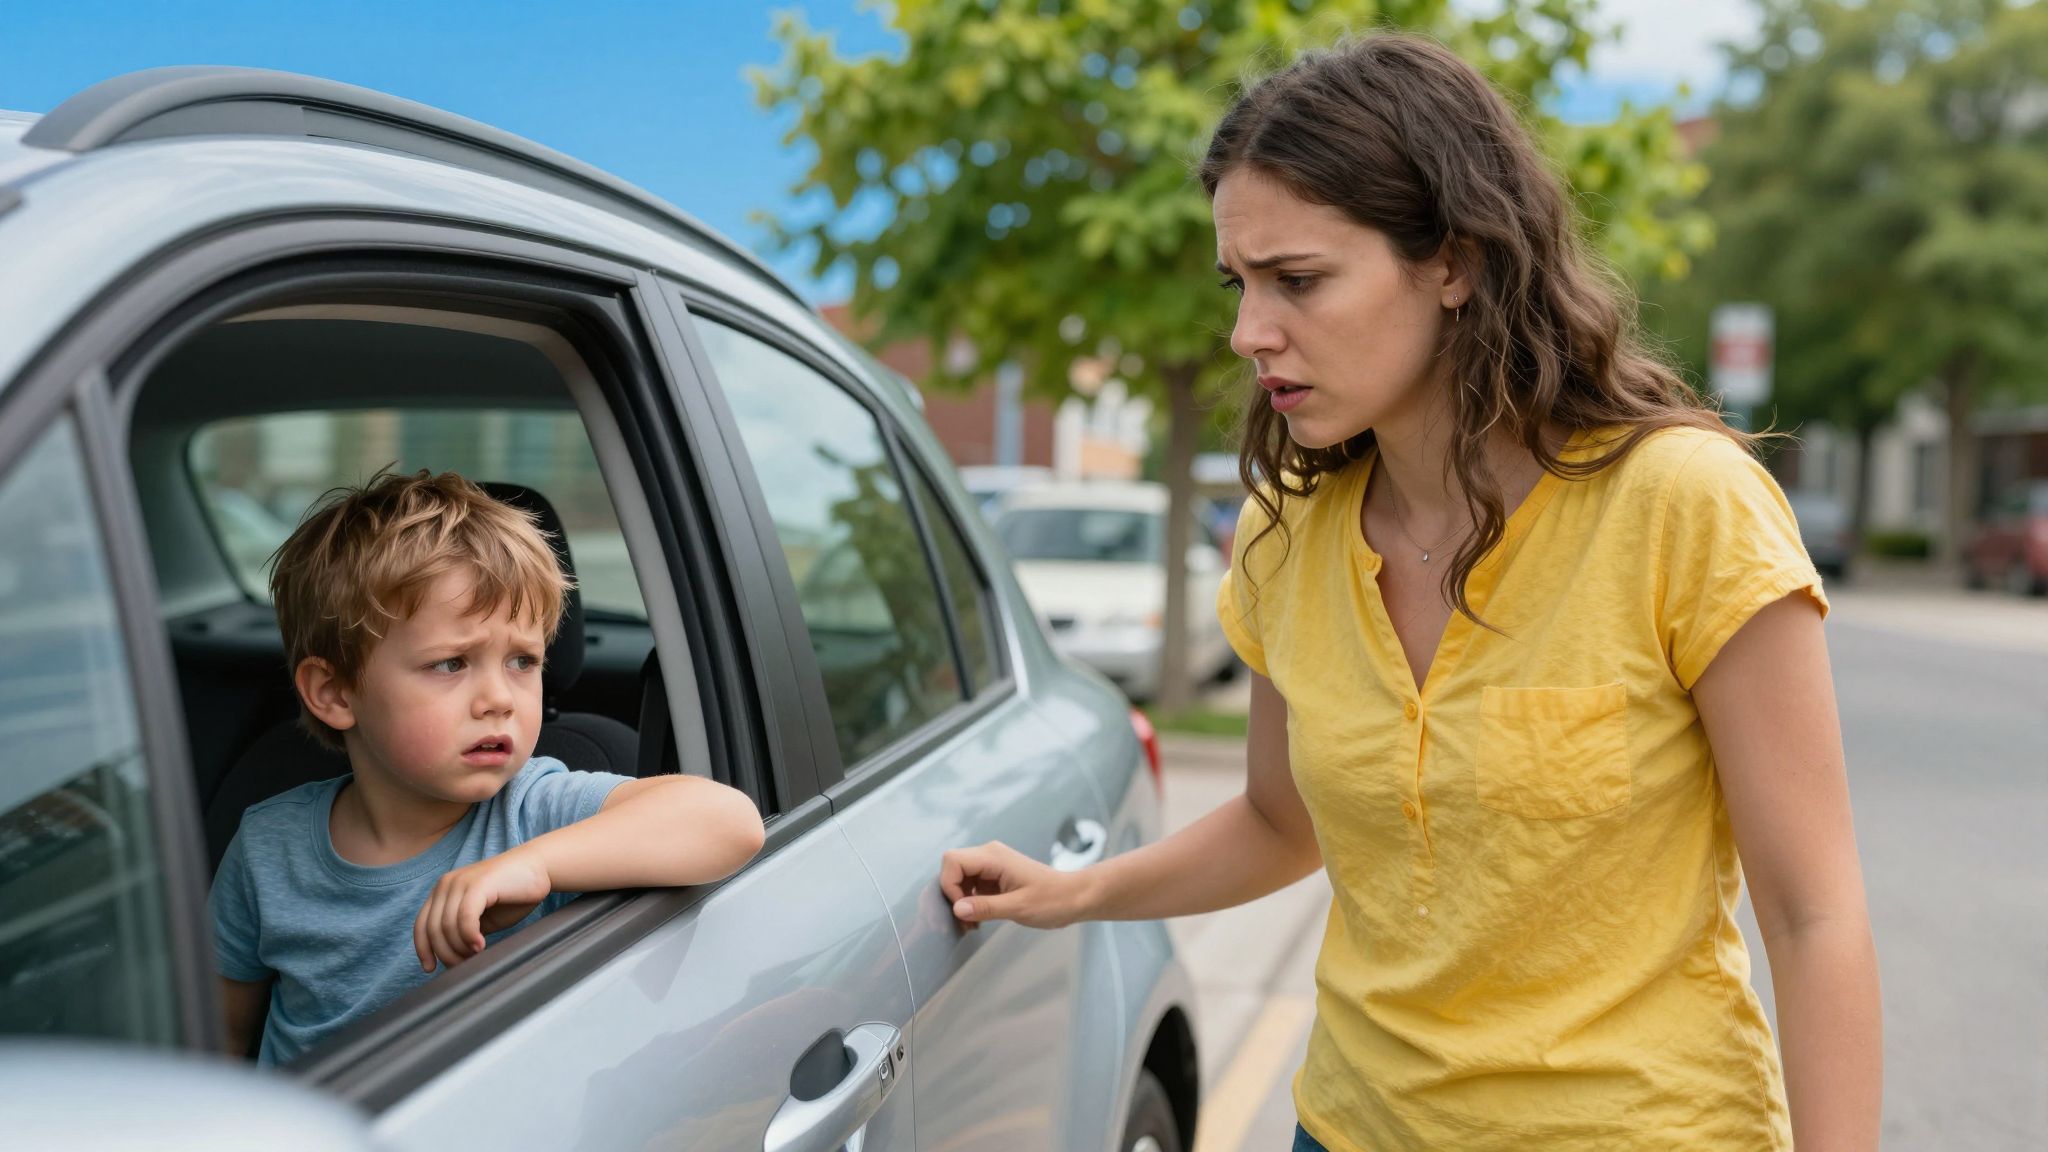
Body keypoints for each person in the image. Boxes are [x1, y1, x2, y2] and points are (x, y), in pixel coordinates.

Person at [939, 33, 1880, 1151]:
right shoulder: (1282, 533)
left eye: (1297, 281)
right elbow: (1279, 822)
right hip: (1345, 1126)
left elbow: (1811, 914)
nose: (1248, 333)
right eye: (1237, 284)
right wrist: (1072, 892)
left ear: (1454, 262)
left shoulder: (1683, 503)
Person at [211, 470, 764, 1066]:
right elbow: (221, 1039)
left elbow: (730, 822)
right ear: (336, 693)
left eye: (523, 661)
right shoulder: (268, 846)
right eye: (451, 664)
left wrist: (534, 865)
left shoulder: (535, 813)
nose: (499, 698)